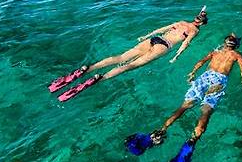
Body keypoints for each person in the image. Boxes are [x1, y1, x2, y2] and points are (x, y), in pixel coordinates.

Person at [49, 7, 208, 101]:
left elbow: (161, 29)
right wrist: (176, 56)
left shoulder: (181, 22)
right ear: (201, 23)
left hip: (156, 38)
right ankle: (101, 77)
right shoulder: (194, 30)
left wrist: (146, 36)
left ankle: (89, 68)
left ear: (195, 17)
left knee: (121, 57)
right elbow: (185, 44)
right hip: (165, 45)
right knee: (130, 65)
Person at [151, 33, 242, 146]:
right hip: (219, 80)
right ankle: (193, 140)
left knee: (184, 106)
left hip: (205, 76)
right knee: (206, 111)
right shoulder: (237, 55)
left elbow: (201, 62)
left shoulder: (215, 52)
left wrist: (192, 73)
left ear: (224, 43)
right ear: (236, 45)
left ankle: (163, 129)